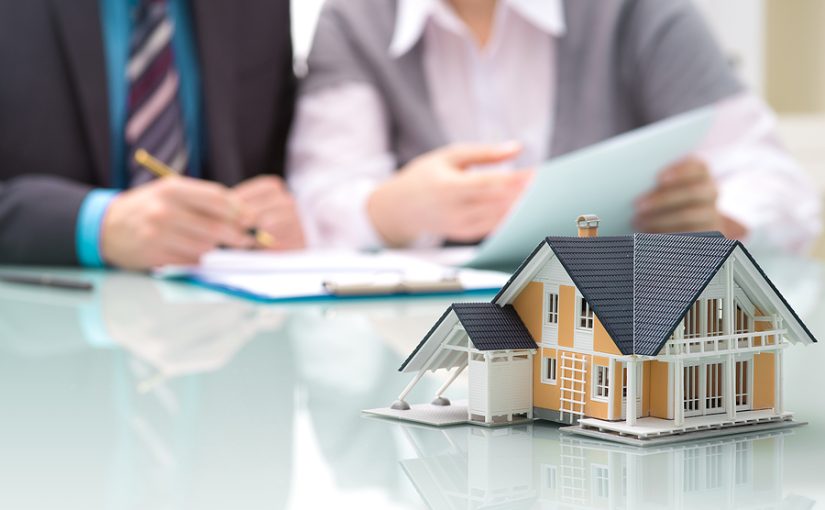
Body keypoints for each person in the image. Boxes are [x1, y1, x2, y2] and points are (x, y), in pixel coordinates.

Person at [288, 0, 821, 253]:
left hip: (628, 343)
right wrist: (390, 211)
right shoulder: (351, 22)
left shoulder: (642, 11)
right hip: (422, 349)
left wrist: (721, 221)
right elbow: (314, 203)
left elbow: (775, 183)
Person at [0, 0, 305, 269]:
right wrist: (99, 224)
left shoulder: (263, 8)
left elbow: (282, 163)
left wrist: (282, 214)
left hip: (217, 311)